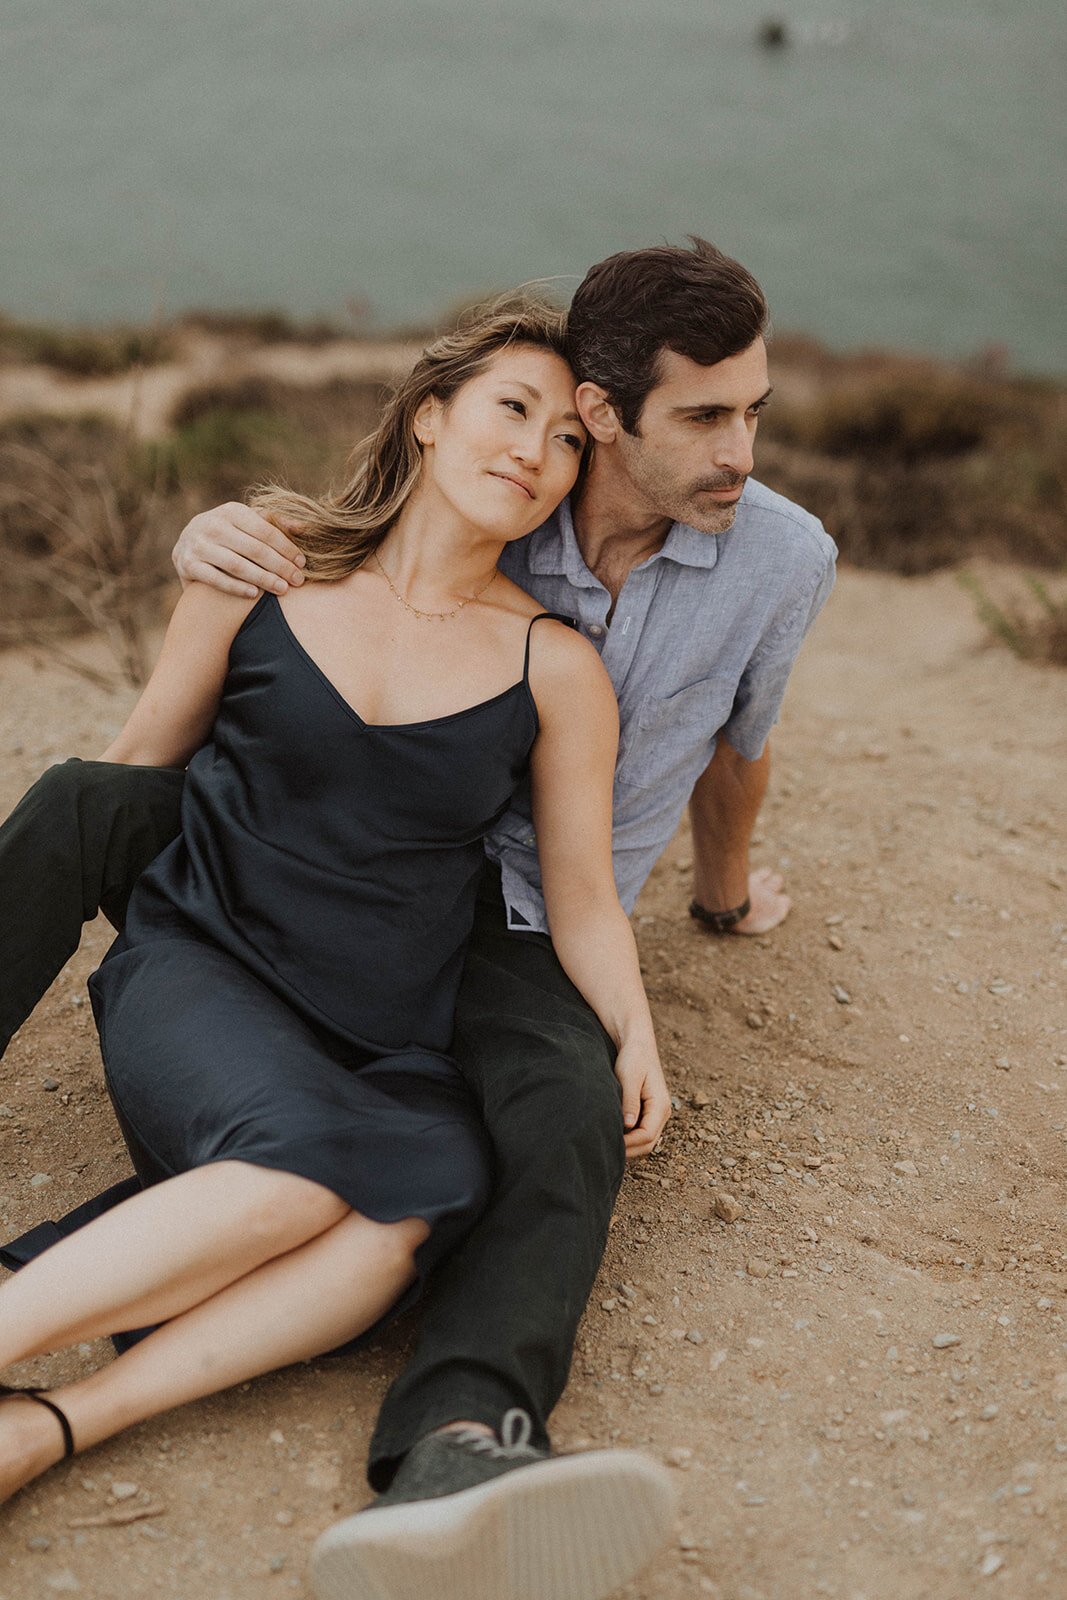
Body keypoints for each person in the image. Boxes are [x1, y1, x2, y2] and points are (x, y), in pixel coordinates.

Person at [0, 237, 836, 1600]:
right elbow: (141, 758)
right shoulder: (272, 565)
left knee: (470, 1156)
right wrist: (201, 546)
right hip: (227, 920)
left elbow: (643, 836)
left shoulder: (629, 626)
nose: (538, 455)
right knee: (82, 801)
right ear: (430, 408)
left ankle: (443, 1439)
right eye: (514, 411)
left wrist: (674, 966)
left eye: (556, 439)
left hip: (429, 950)